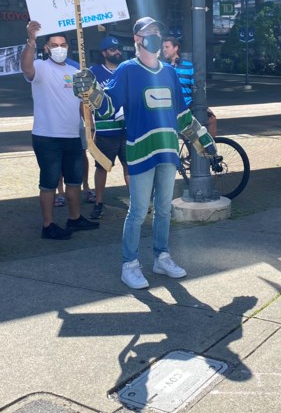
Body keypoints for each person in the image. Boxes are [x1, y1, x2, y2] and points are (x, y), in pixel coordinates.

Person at [73, 17, 217, 289]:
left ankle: (161, 256)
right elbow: (107, 106)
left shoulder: (169, 73)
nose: (154, 36)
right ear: (136, 39)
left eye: (157, 31)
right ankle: (130, 264)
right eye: (148, 32)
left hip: (168, 151)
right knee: (138, 211)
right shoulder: (128, 70)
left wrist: (205, 142)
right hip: (140, 151)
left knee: (164, 209)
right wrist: (90, 91)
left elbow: (182, 115)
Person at [22, 21, 100, 239]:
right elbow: (26, 68)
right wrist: (31, 40)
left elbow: (83, 102)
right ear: (46, 48)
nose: (59, 48)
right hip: (47, 137)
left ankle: (74, 219)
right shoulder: (40, 68)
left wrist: (88, 124)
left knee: (74, 180)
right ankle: (48, 225)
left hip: (72, 135)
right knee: (49, 183)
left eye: (63, 44)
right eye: (54, 44)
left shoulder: (75, 72)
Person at [88, 35, 131, 219]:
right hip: (106, 129)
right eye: (112, 50)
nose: (117, 52)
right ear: (104, 52)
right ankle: (98, 202)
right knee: (102, 167)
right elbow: (87, 102)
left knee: (130, 166)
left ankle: (136, 202)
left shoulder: (126, 69)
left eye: (118, 49)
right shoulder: (94, 72)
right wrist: (90, 127)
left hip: (128, 128)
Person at [162, 35, 217, 138]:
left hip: (188, 105)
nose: (164, 50)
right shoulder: (163, 67)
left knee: (211, 119)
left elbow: (196, 88)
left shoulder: (188, 66)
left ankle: (209, 150)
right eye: (163, 47)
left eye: (167, 47)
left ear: (176, 48)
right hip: (172, 107)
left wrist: (202, 106)